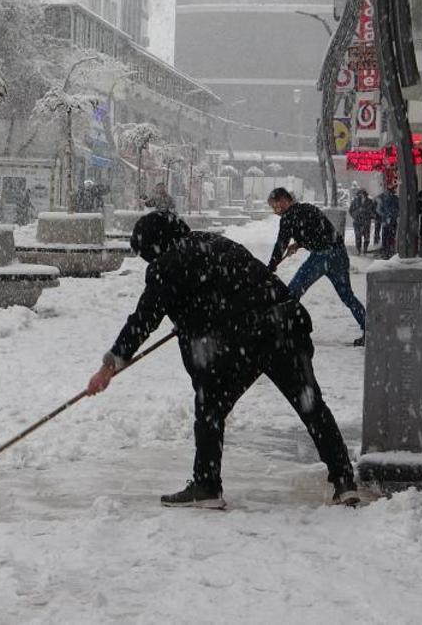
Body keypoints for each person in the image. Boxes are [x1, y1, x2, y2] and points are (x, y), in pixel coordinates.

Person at [84, 211, 358, 508]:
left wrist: (110, 364)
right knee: (311, 405)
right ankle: (344, 481)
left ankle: (207, 485)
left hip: (239, 339)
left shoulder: (166, 266)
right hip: (283, 326)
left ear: (154, 245)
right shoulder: (215, 243)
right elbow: (238, 285)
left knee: (210, 407)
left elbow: (143, 320)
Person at [266, 188, 366, 346]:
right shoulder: (309, 208)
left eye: (275, 206)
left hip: (321, 257)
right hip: (338, 253)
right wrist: (300, 244)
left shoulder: (288, 218)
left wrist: (272, 265)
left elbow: (281, 244)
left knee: (292, 293)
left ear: (284, 201)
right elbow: (320, 232)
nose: (275, 211)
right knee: (347, 295)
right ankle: (369, 328)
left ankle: (285, 332)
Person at [348, 189, 376, 255]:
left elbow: (373, 211)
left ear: (366, 195)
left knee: (366, 237)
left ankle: (365, 250)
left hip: (366, 221)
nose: (362, 196)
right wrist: (355, 215)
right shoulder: (355, 201)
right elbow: (350, 211)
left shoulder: (370, 201)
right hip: (357, 221)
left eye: (363, 194)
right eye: (360, 194)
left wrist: (368, 213)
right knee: (358, 236)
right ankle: (359, 250)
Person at [375, 184, 399, 259]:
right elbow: (378, 209)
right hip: (386, 221)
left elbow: (399, 210)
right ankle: (387, 252)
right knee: (386, 237)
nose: (389, 192)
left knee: (390, 237)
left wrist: (392, 215)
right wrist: (385, 215)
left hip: (391, 221)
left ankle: (389, 252)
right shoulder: (382, 198)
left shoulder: (395, 199)